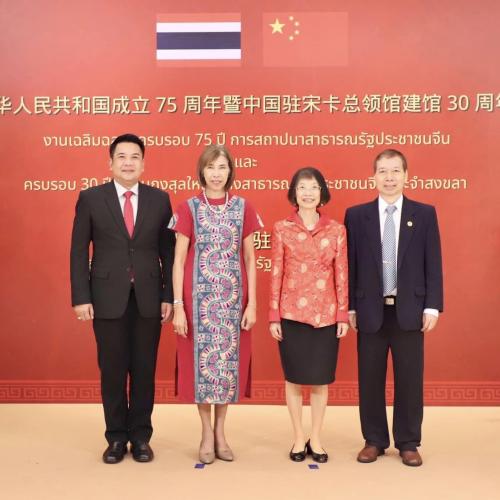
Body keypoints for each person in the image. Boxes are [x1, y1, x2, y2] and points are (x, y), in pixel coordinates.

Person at [70, 133, 175, 464]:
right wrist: (81, 297)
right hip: (105, 298)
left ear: (143, 164)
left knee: (144, 370)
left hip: (148, 297)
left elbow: (168, 252)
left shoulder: (160, 200)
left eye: (134, 157)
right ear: (110, 162)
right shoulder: (91, 198)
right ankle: (115, 437)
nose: (128, 163)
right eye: (122, 157)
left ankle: (141, 437)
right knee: (112, 370)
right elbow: (78, 251)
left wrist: (169, 295)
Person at [344, 149, 443, 467]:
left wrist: (432, 306)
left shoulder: (424, 214)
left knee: (410, 379)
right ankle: (373, 440)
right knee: (369, 379)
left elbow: (433, 262)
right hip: (369, 309)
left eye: (395, 171)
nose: (389, 177)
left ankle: (408, 442)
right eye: (383, 171)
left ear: (406, 175)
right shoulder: (357, 216)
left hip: (409, 310)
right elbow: (350, 264)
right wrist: (350, 307)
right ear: (373, 176)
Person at [170, 144, 263, 464]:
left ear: (230, 171)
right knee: (200, 369)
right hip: (197, 304)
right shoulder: (188, 208)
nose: (216, 173)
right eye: (211, 167)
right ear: (202, 171)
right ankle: (205, 433)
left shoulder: (243, 207)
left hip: (232, 304)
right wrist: (178, 306)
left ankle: (221, 432)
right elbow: (178, 260)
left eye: (222, 167)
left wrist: (252, 304)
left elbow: (250, 258)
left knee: (225, 369)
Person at [269, 167, 349, 463]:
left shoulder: (337, 230)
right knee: (293, 379)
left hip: (325, 315)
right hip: (291, 314)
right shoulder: (282, 228)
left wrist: (342, 314)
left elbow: (341, 273)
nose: (307, 193)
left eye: (313, 187)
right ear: (294, 193)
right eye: (302, 187)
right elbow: (276, 271)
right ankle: (298, 437)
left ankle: (316, 438)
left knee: (319, 380)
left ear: (322, 192)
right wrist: (273, 315)